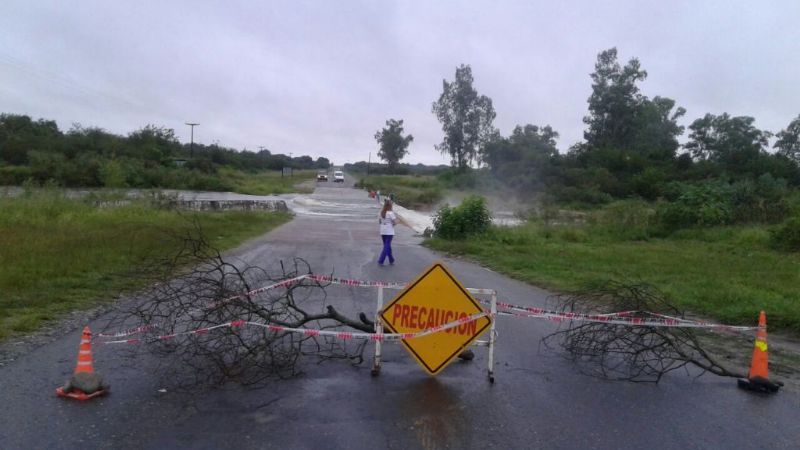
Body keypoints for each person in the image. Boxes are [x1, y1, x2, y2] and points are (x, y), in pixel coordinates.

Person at [378, 199, 397, 266]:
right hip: (389, 231)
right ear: (390, 206)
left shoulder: (381, 212)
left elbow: (379, 222)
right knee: (387, 245)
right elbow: (395, 223)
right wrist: (392, 223)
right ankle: (381, 260)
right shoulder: (391, 213)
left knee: (387, 245)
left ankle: (391, 259)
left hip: (382, 230)